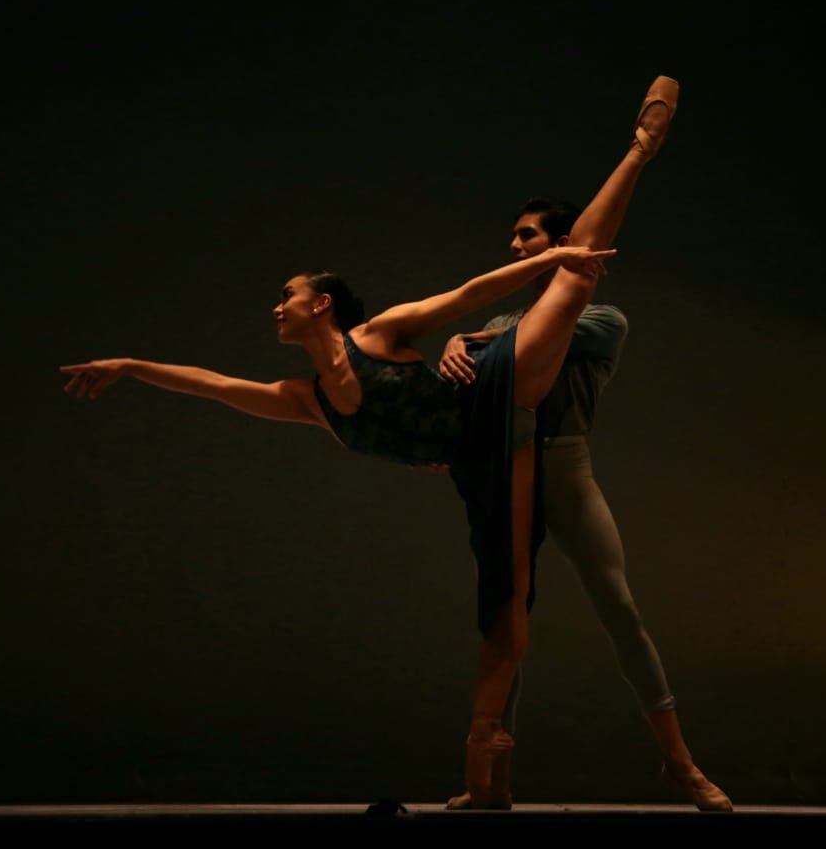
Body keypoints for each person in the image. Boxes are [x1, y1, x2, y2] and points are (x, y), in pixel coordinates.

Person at [62, 76, 685, 810]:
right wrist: (130, 366)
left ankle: (640, 149)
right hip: (479, 463)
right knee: (502, 601)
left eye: (287, 296)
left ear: (321, 302)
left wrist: (544, 266)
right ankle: (486, 770)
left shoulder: (380, 334)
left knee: (576, 281)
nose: (277, 307)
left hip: (497, 409)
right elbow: (215, 385)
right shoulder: (309, 401)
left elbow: (467, 295)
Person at [436, 198, 733, 812]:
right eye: (514, 236)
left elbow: (536, 339)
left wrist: (470, 338)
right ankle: (493, 782)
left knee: (619, 608)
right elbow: (483, 372)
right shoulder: (501, 321)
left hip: (564, 468)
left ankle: (680, 764)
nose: (515, 246)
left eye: (527, 236)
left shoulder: (603, 319)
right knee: (505, 618)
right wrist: (454, 347)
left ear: (562, 243)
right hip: (507, 469)